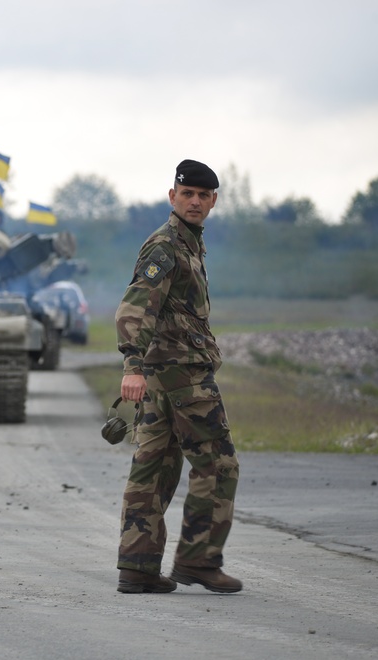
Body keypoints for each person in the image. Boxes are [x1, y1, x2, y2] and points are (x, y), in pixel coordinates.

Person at [114, 159, 242, 595]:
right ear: (173, 196)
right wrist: (132, 366)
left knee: (155, 468)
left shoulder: (188, 243)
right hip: (182, 376)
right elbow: (135, 309)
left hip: (163, 375)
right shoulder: (166, 246)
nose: (195, 202)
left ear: (213, 202)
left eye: (203, 196)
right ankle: (199, 562)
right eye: (187, 194)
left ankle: (138, 567)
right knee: (218, 465)